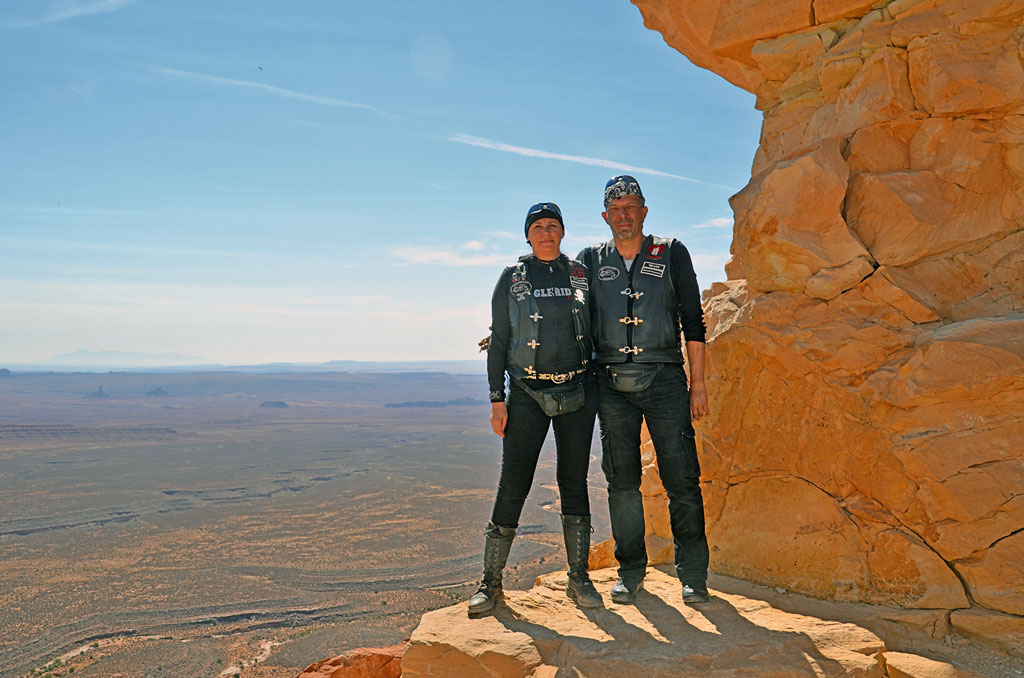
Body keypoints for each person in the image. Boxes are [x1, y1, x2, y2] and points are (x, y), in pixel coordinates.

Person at [576, 175, 712, 605]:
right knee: (621, 483)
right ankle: (630, 570)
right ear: (605, 216)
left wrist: (699, 384)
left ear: (644, 211)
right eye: (616, 210)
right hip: (612, 385)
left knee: (683, 480)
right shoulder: (590, 260)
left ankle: (693, 575)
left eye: (631, 207)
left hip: (666, 380)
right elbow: (565, 310)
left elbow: (694, 321)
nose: (624, 216)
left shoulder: (671, 252)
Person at [469, 202, 601, 615]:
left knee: (574, 481)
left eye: (553, 226)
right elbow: (500, 339)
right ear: (528, 235)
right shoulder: (512, 278)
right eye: (538, 227)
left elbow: (602, 328)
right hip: (526, 394)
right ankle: (490, 584)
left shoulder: (581, 274)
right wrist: (497, 398)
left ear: (563, 232)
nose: (546, 232)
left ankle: (578, 578)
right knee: (514, 484)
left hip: (578, 392)